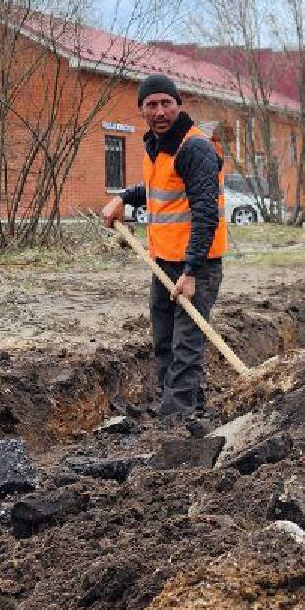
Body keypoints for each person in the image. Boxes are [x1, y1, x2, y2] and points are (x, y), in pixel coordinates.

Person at [101, 73, 226, 418]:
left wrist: (191, 271)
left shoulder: (195, 147)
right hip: (164, 262)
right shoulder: (158, 146)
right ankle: (188, 411)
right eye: (151, 105)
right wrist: (124, 198)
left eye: (166, 103)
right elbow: (160, 189)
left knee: (186, 345)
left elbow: (205, 213)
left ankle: (175, 422)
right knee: (165, 343)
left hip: (196, 266)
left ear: (178, 105)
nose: (159, 111)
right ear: (141, 110)